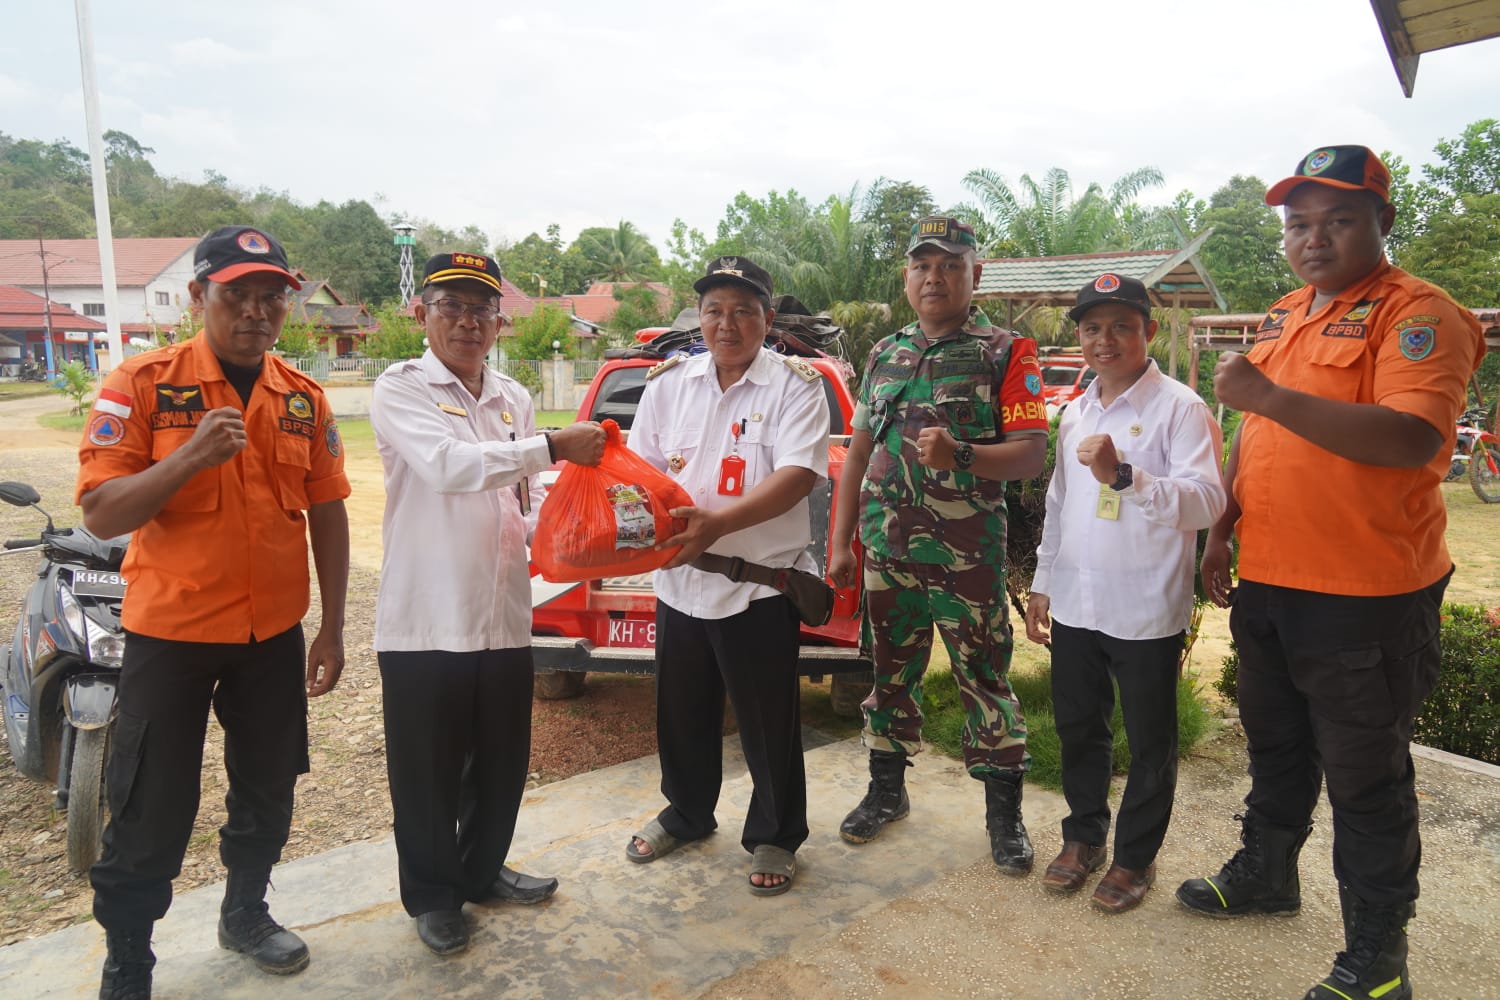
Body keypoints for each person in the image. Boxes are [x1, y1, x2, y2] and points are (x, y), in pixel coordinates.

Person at [1175, 146, 1484, 1000]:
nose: (1312, 239)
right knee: (1274, 747)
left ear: (1382, 221)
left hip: (1367, 594)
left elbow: (1412, 439)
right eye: (1298, 224)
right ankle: (1269, 874)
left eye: (1337, 219)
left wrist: (1266, 397)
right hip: (1271, 577)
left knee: (1365, 776)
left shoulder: (1419, 314)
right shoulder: (1282, 315)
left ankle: (1380, 957)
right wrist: (1222, 527)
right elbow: (1253, 436)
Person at [76, 226, 351, 998]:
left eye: (272, 297)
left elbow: (328, 509)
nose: (257, 311)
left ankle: (246, 912)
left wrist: (331, 624)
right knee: (152, 800)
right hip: (172, 632)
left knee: (268, 784)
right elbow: (100, 512)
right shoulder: (140, 383)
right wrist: (190, 455)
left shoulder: (303, 395)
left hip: (270, 633)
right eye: (238, 294)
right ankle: (129, 953)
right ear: (199, 296)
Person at [370, 252, 605, 955]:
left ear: (500, 322)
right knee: (428, 769)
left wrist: (579, 531)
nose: (468, 322)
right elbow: (447, 468)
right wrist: (553, 447)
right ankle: (435, 896)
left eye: (481, 310)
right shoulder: (400, 386)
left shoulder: (510, 396)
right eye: (452, 307)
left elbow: (518, 503)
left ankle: (480, 869)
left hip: (502, 611)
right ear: (422, 314)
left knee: (500, 761)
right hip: (427, 616)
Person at [828, 216, 1048, 872]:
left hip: (967, 558)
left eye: (950, 265)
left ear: (974, 275)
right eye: (922, 265)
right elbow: (859, 452)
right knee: (889, 674)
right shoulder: (884, 353)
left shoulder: (1007, 351)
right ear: (906, 277)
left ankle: (1003, 817)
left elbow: (1030, 456)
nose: (934, 277)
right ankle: (886, 792)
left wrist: (963, 455)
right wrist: (841, 543)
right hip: (888, 553)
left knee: (984, 679)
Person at [624, 255, 830, 897]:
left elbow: (797, 476)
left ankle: (775, 833)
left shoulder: (796, 387)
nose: (727, 322)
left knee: (768, 721)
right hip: (680, 580)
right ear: (700, 316)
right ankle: (686, 814)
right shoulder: (668, 384)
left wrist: (714, 522)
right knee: (681, 712)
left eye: (744, 310)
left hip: (758, 584)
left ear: (767, 319)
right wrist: (644, 530)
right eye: (715, 309)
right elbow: (640, 471)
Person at [1024, 274, 1225, 914]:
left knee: (1149, 742)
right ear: (1078, 336)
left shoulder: (1180, 408)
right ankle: (1083, 838)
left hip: (1145, 608)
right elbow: (1058, 505)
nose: (1104, 340)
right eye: (1091, 328)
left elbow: (1206, 501)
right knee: (1080, 728)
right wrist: (1041, 583)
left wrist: (1126, 476)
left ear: (1149, 331)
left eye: (1120, 326)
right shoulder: (1076, 412)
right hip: (1079, 603)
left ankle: (1136, 857)